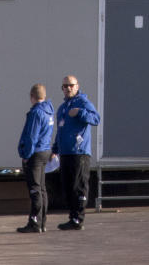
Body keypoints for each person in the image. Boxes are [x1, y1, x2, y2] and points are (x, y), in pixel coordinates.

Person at [53, 73, 100, 230]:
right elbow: (60, 130)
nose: (68, 88)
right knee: (67, 187)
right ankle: (72, 216)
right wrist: (55, 149)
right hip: (65, 152)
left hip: (79, 152)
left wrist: (80, 113)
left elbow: (96, 119)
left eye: (71, 85)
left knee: (78, 186)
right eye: (65, 86)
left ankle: (78, 218)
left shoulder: (82, 102)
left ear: (77, 86)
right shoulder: (62, 108)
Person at [17, 82, 55, 233]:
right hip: (45, 150)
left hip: (36, 152)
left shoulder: (36, 113)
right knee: (42, 188)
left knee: (34, 188)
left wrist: (26, 154)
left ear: (32, 97)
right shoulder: (48, 111)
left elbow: (32, 136)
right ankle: (42, 221)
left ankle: (34, 222)